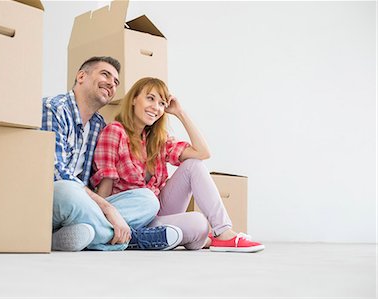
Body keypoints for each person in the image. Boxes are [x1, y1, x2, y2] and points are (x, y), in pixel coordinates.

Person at [91, 77, 265, 252]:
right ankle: (162, 236)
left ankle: (223, 232)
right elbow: (105, 187)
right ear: (134, 99)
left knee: (193, 166)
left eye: (162, 103)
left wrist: (180, 112)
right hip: (134, 214)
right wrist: (109, 222)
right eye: (150, 99)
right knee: (197, 224)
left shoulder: (156, 140)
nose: (156, 108)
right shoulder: (115, 131)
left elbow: (203, 153)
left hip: (158, 212)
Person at [41, 57, 183, 251]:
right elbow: (55, 173)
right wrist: (109, 210)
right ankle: (132, 238)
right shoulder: (54, 109)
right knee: (67, 190)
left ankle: (64, 239)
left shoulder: (98, 124)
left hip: (85, 208)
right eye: (105, 75)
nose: (111, 83)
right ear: (81, 76)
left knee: (148, 200)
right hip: (52, 199)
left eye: (116, 82)